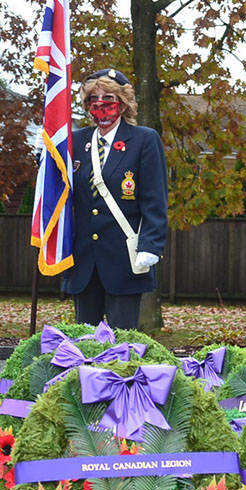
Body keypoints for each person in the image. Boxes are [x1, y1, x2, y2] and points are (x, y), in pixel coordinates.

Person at [62, 68, 169, 330]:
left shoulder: (143, 140)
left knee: (122, 346)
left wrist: (151, 245)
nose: (100, 105)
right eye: (92, 100)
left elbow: (155, 200)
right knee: (83, 343)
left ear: (122, 103)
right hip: (83, 260)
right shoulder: (75, 141)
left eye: (108, 98)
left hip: (124, 259)